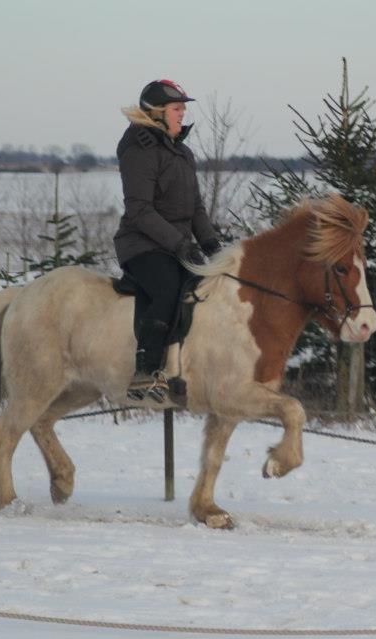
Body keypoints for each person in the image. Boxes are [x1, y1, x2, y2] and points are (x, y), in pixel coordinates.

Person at [114, 79, 222, 401]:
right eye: (177, 109)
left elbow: (196, 209)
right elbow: (140, 211)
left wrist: (212, 246)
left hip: (175, 244)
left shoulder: (183, 153)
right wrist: (179, 244)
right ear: (157, 113)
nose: (182, 114)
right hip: (142, 244)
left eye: (183, 108)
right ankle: (145, 370)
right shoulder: (139, 151)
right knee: (169, 286)